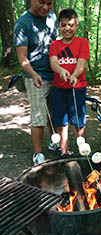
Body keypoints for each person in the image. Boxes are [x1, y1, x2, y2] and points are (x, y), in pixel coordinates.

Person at [13, 0, 58, 165]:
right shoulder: (23, 23)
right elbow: (22, 57)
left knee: (54, 113)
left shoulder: (52, 17)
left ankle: (55, 142)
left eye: (49, 3)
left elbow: (57, 42)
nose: (45, 7)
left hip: (55, 74)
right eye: (41, 2)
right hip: (35, 76)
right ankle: (38, 154)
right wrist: (33, 74)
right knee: (39, 116)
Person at [49, 8, 90, 156]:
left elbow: (81, 63)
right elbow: (53, 62)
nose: (67, 28)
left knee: (78, 123)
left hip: (77, 88)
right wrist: (61, 71)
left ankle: (84, 152)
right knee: (61, 123)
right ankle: (64, 152)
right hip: (59, 89)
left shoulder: (82, 43)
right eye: (64, 25)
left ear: (76, 26)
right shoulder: (54, 45)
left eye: (71, 25)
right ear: (59, 26)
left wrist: (74, 75)